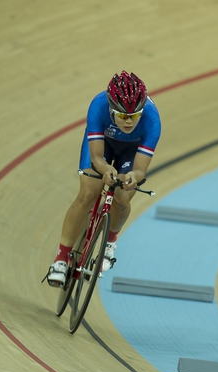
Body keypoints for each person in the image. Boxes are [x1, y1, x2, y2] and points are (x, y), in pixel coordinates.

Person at [46, 71, 161, 287]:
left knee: (123, 197)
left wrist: (132, 177)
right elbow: (97, 157)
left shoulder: (152, 120)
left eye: (135, 116)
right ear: (111, 109)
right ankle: (61, 258)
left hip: (131, 151)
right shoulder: (98, 106)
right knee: (88, 193)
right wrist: (106, 169)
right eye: (123, 116)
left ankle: (110, 242)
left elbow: (140, 170)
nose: (129, 122)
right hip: (103, 145)